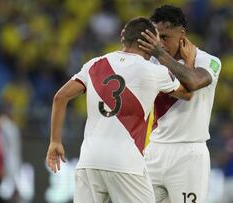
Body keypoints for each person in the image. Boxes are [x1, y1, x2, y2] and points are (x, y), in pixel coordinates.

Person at [45, 17, 192, 203]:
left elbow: (60, 97)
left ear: (124, 37)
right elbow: (187, 92)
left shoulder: (95, 64)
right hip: (127, 162)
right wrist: (187, 61)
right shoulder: (155, 72)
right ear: (149, 43)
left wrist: (55, 141)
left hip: (89, 161)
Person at [137, 5, 222, 203]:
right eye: (157, 38)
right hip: (154, 150)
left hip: (189, 154)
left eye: (165, 37)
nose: (160, 44)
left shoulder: (209, 61)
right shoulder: (150, 63)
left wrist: (161, 55)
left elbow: (193, 83)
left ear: (181, 33)